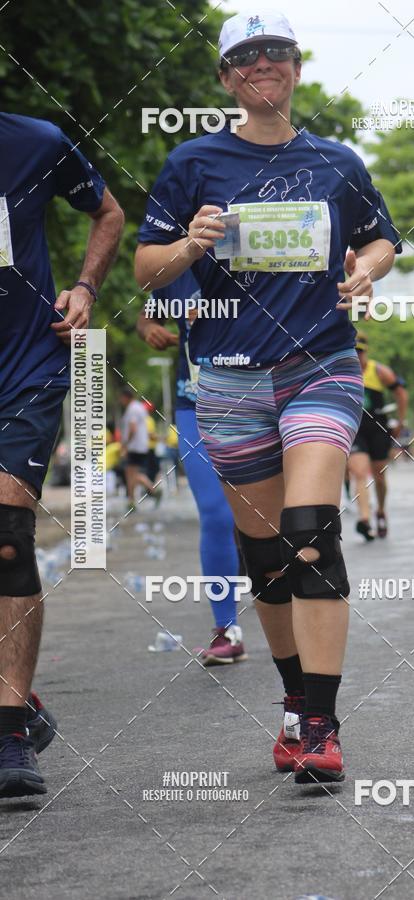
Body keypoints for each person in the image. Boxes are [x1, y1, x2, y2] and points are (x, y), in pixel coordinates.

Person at [135, 9, 401, 783]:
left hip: (320, 364)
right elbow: (147, 269)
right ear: (226, 77)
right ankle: (293, 701)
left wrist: (366, 270)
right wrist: (189, 244)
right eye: (246, 56)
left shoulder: (337, 162)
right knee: (270, 556)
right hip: (226, 376)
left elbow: (382, 237)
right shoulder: (192, 161)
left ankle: (321, 723)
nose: (262, 64)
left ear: (296, 67)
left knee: (310, 531)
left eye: (275, 52)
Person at [0, 112, 123, 797]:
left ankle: (9, 731)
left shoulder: (36, 143)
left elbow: (108, 212)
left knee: (6, 536)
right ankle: (23, 699)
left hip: (26, 367)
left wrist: (85, 287)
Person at [136, 273, 247, 664]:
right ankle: (227, 628)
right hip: (194, 402)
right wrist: (149, 329)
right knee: (216, 515)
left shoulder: (257, 255)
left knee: (272, 518)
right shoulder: (175, 266)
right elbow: (147, 316)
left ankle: (298, 624)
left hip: (260, 397)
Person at [347, 333, 408, 540]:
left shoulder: (379, 371)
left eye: (360, 351)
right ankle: (364, 520)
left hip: (378, 429)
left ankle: (380, 510)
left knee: (379, 476)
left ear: (366, 351)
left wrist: (400, 422)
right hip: (355, 429)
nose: (357, 356)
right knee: (359, 472)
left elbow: (401, 393)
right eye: (353, 351)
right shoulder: (342, 372)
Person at [118, 387, 162, 510]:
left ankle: (148, 493)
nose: (120, 401)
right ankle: (132, 500)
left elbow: (133, 428)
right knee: (131, 473)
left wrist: (125, 444)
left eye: (121, 398)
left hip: (134, 446)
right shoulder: (139, 408)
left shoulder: (132, 409)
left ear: (125, 397)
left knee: (132, 474)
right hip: (142, 446)